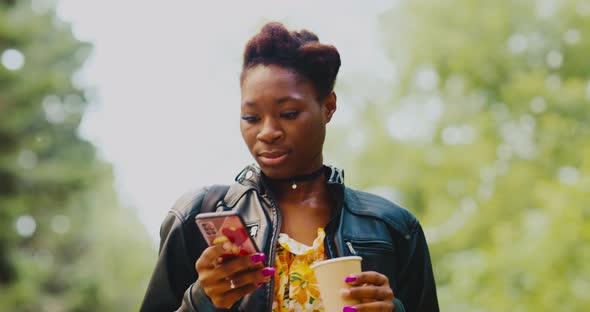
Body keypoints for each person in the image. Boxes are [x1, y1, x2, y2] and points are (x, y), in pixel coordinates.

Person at [140, 22, 438, 312]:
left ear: (329, 107)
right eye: (251, 118)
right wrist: (201, 300)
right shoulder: (197, 215)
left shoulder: (393, 227)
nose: (267, 132)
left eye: (288, 113)